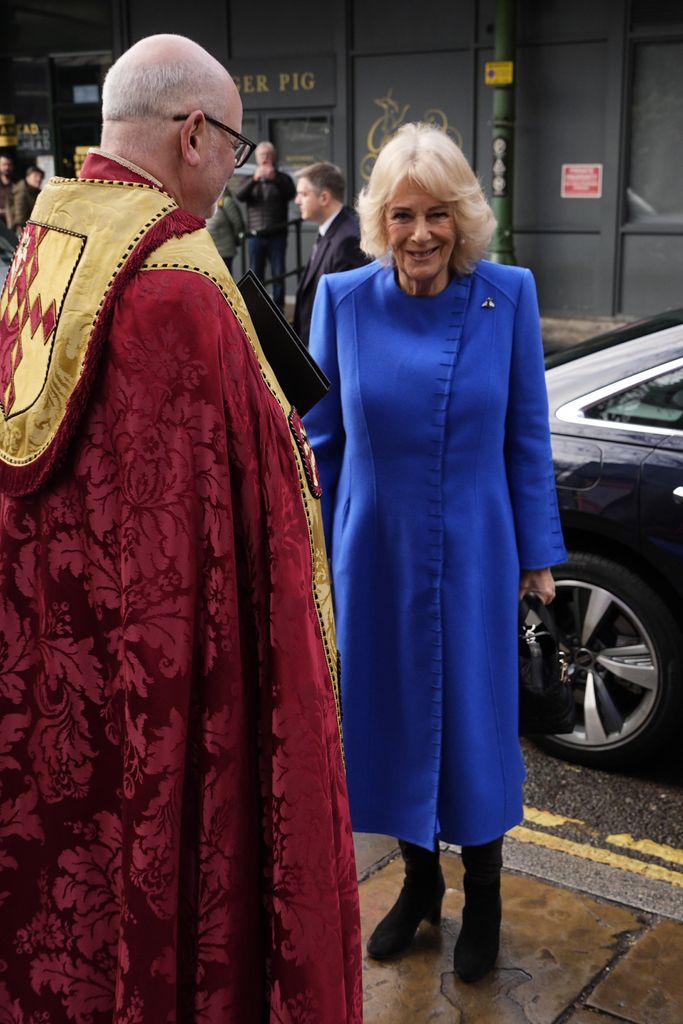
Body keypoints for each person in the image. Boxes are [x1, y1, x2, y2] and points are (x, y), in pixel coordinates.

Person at [0, 34, 362, 1023]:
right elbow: (201, 560)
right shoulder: (174, 289)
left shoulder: (54, 240)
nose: (242, 167)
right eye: (237, 145)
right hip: (162, 698)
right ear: (194, 132)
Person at [304, 122, 567, 984]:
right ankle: (419, 888)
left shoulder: (508, 295)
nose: (422, 234)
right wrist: (309, 553)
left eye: (439, 215)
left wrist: (537, 554)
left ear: (464, 218)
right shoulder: (342, 300)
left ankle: (483, 893)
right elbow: (321, 442)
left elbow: (526, 435)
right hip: (372, 550)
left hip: (477, 547)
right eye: (404, 215)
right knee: (387, 719)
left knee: (475, 724)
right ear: (380, 219)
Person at [292, 162, 367, 347]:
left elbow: (347, 314)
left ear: (324, 197)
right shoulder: (331, 230)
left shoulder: (348, 239)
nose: (297, 200)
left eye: (303, 194)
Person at [236, 141, 294, 311]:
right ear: (257, 158)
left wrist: (274, 178)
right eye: (262, 155)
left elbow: (290, 192)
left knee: (278, 274)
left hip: (277, 234)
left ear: (274, 158)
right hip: (255, 236)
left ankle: (279, 309)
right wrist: (254, 179)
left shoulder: (282, 178)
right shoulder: (249, 179)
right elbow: (240, 195)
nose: (265, 158)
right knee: (256, 275)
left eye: (269, 155)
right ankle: (257, 310)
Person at [205, 185, 244, 273]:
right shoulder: (205, 202)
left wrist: (238, 240)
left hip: (224, 251)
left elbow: (237, 224)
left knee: (225, 281)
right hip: (208, 251)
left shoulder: (226, 201)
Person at [11, 163, 45, 233]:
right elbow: (20, 219)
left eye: (41, 177)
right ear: (27, 177)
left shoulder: (36, 191)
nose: (39, 179)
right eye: (35, 176)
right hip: (24, 232)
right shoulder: (21, 192)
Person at [0, 154, 15, 230]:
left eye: (9, 165)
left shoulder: (17, 184)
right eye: (4, 164)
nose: (7, 167)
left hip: (13, 227)